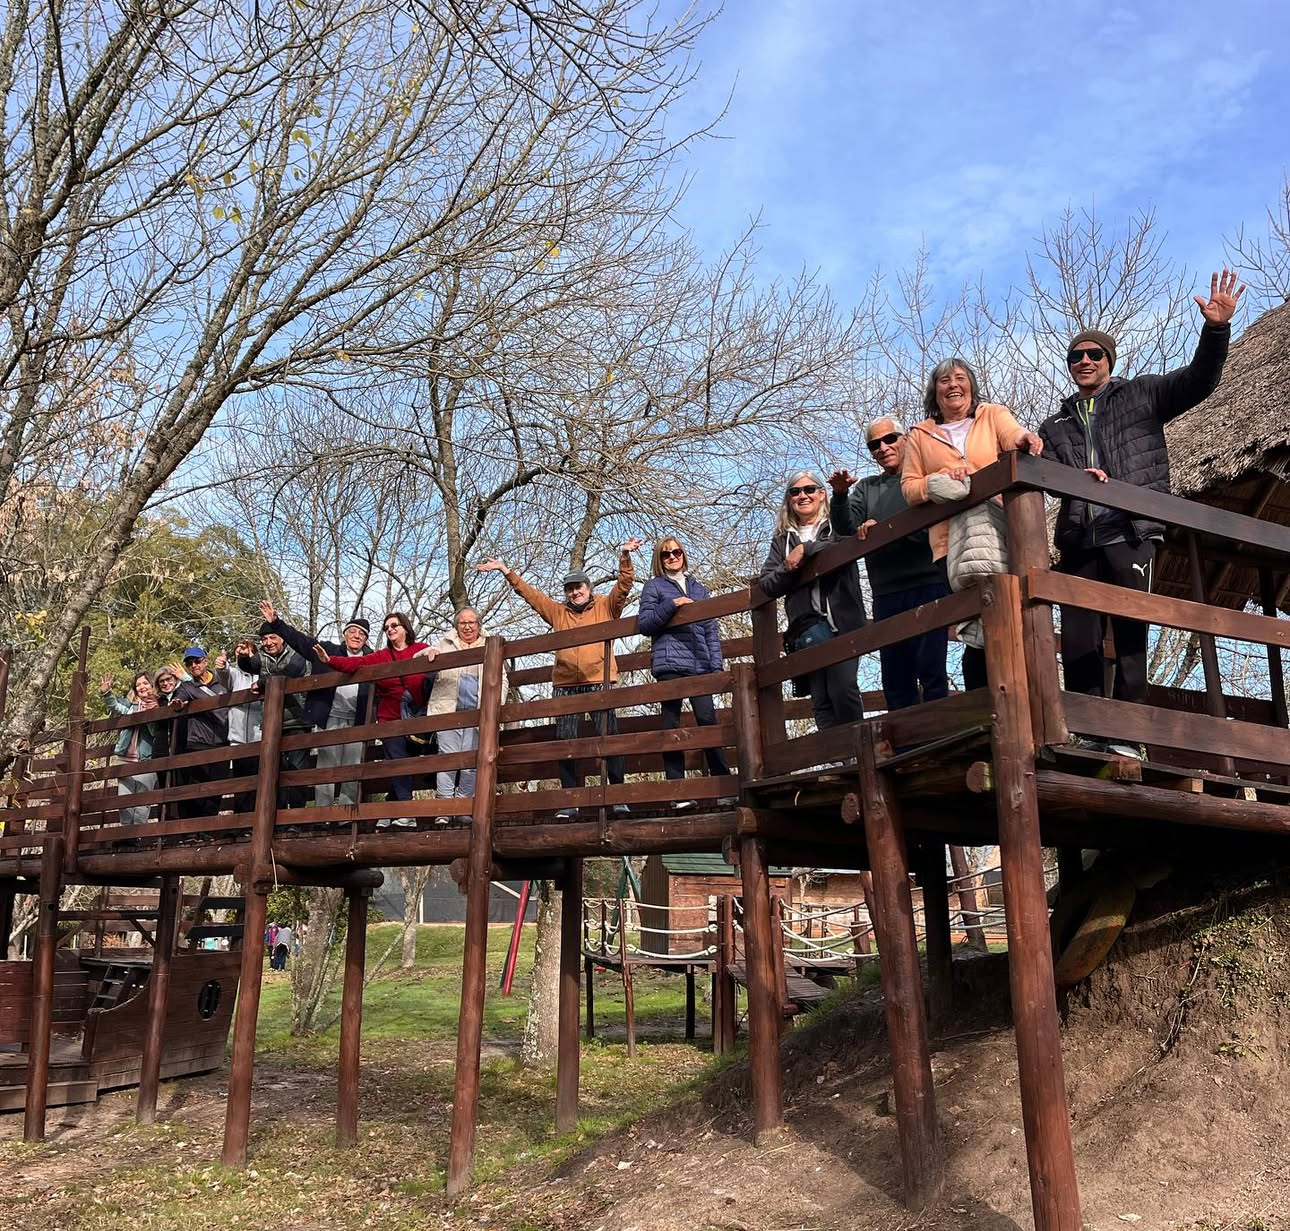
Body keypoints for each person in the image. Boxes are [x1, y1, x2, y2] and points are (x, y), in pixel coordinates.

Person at [1038, 269, 1244, 753]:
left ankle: (1129, 736)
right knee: (1080, 639)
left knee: (1131, 631)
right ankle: (1089, 731)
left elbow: (1199, 380)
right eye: (1076, 356)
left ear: (1108, 361)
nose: (1084, 361)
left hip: (1129, 531)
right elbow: (1044, 472)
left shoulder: (1141, 394)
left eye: (1094, 354)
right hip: (1079, 539)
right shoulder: (1056, 424)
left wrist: (1216, 329)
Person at [900, 360, 1043, 689]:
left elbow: (1013, 435)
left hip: (999, 532)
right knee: (975, 623)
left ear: (971, 386)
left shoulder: (991, 415)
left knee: (1010, 615)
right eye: (944, 380)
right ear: (934, 392)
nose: (953, 384)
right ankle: (983, 702)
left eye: (960, 378)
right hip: (949, 544)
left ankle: (1017, 694)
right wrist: (939, 480)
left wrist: (1025, 439)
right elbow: (909, 488)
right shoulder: (920, 435)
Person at [477, 539, 643, 819]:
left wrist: (625, 555)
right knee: (566, 743)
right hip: (565, 685)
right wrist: (506, 571)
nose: (575, 592)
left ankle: (617, 797)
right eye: (570, 589)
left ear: (588, 588)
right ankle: (570, 801)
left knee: (609, 738)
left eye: (579, 587)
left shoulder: (606, 606)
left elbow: (624, 584)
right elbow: (531, 596)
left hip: (598, 681)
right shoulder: (558, 613)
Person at [830, 417, 952, 711]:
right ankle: (907, 737)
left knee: (931, 667)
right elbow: (846, 528)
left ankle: (939, 729)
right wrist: (840, 496)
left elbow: (935, 526)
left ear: (905, 438)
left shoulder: (924, 477)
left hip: (928, 583)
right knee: (896, 676)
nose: (882, 448)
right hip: (886, 592)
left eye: (889, 439)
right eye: (874, 445)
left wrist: (884, 530)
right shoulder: (867, 488)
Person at [759, 471, 867, 731]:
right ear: (789, 499)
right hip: (807, 629)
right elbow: (767, 583)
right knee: (821, 698)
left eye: (809, 489)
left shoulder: (836, 523)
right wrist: (789, 566)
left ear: (821, 494)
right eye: (795, 492)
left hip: (843, 623)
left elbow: (843, 543)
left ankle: (859, 745)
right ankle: (833, 752)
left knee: (843, 688)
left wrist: (805, 550)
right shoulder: (782, 540)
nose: (802, 496)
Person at [636, 536, 731, 808]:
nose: (672, 557)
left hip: (700, 664)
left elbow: (711, 631)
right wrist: (672, 604)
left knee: (708, 721)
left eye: (676, 552)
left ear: (683, 555)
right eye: (666, 554)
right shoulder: (654, 586)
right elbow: (645, 624)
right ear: (660, 559)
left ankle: (724, 787)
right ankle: (677, 793)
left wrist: (716, 667)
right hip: (670, 664)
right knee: (671, 725)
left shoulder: (699, 589)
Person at [314, 613, 432, 829]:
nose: (390, 629)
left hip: (416, 718)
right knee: (397, 762)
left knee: (405, 764)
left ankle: (388, 811)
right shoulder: (382, 656)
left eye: (394, 625)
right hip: (389, 718)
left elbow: (440, 657)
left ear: (405, 628)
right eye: (386, 627)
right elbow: (356, 663)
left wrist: (434, 653)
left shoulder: (421, 649)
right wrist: (330, 660)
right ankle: (406, 813)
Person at [260, 602, 371, 808]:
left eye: (362, 634)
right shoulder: (328, 650)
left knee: (353, 768)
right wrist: (276, 623)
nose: (356, 636)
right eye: (352, 631)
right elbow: (300, 641)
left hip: (358, 720)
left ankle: (346, 815)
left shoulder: (372, 658)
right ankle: (323, 813)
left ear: (366, 639)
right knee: (326, 768)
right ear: (345, 634)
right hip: (329, 717)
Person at [418, 607, 492, 824]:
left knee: (471, 761)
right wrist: (429, 653)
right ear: (456, 626)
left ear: (478, 625)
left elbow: (502, 679)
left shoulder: (489, 644)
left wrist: (496, 706)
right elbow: (418, 657)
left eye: (471, 622)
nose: (467, 627)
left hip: (477, 713)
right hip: (448, 712)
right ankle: (444, 807)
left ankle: (462, 807)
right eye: (462, 623)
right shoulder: (445, 644)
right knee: (447, 760)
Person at [239, 616, 314, 809]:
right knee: (273, 770)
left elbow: (288, 674)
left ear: (282, 637)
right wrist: (243, 657)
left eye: (272, 637)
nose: (268, 642)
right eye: (264, 639)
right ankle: (277, 814)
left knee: (297, 770)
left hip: (297, 721)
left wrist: (262, 682)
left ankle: (296, 815)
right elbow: (249, 666)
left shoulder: (297, 653)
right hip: (272, 722)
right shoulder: (262, 657)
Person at [167, 647, 231, 820]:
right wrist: (178, 702)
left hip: (222, 741)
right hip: (198, 742)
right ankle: (195, 827)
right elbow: (180, 697)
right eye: (189, 664)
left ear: (205, 661)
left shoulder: (222, 682)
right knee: (197, 787)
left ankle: (208, 828)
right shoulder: (187, 686)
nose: (193, 666)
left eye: (196, 661)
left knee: (216, 787)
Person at [100, 672, 165, 824]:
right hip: (125, 760)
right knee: (124, 803)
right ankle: (125, 834)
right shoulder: (131, 707)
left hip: (146, 760)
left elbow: (155, 732)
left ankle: (138, 835)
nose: (141, 687)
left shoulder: (161, 705)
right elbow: (115, 706)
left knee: (142, 804)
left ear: (152, 685)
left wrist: (150, 713)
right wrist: (107, 692)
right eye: (138, 685)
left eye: (145, 683)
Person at [224, 636, 263, 814]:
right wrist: (222, 667)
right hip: (238, 739)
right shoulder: (234, 674)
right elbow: (224, 674)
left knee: (259, 782)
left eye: (246, 650)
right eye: (239, 651)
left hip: (259, 738)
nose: (242, 653)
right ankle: (241, 821)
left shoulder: (262, 674)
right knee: (240, 784)